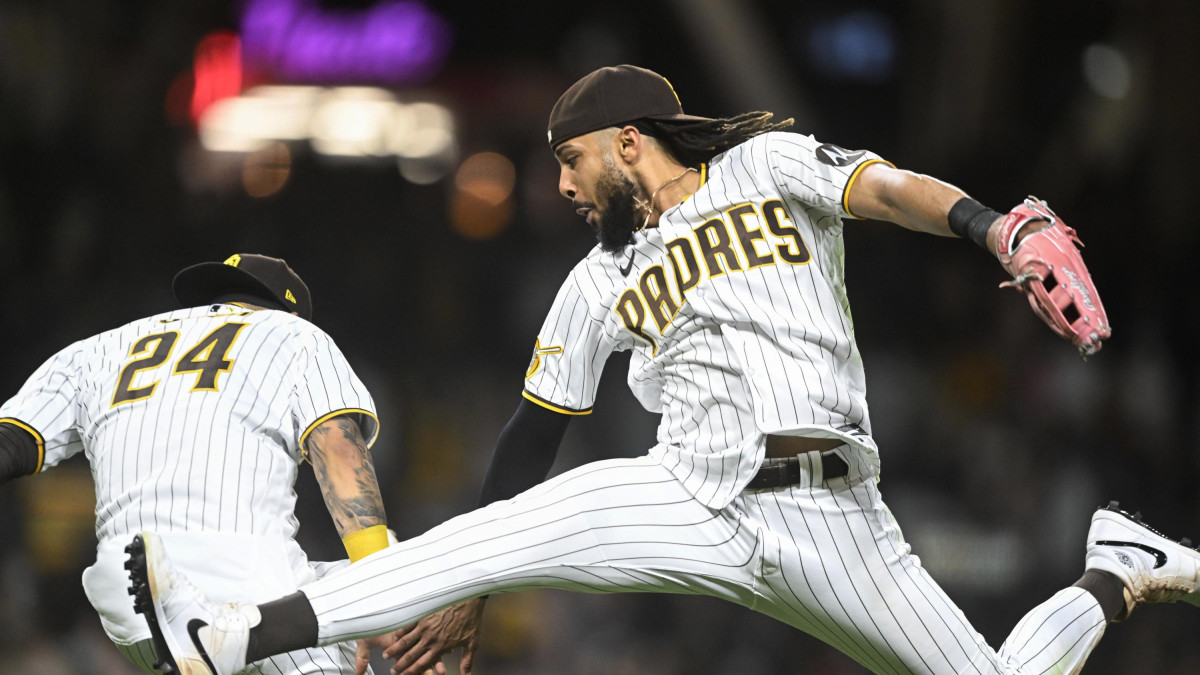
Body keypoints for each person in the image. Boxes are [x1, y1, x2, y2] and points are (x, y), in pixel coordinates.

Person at [131, 66, 1197, 675]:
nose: (559, 183)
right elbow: (528, 441)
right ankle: (234, 633)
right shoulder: (594, 282)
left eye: (569, 159)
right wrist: (474, 592)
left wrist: (992, 227)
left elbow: (890, 190)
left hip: (839, 517)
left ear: (628, 141)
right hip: (686, 491)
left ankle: (1119, 565)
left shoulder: (763, 167)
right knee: (483, 537)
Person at [0, 253, 388, 674]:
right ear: (292, 311)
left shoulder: (99, 348)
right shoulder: (294, 335)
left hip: (127, 597)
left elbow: (11, 444)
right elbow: (339, 449)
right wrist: (378, 594)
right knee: (368, 598)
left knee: (333, 582)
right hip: (241, 582)